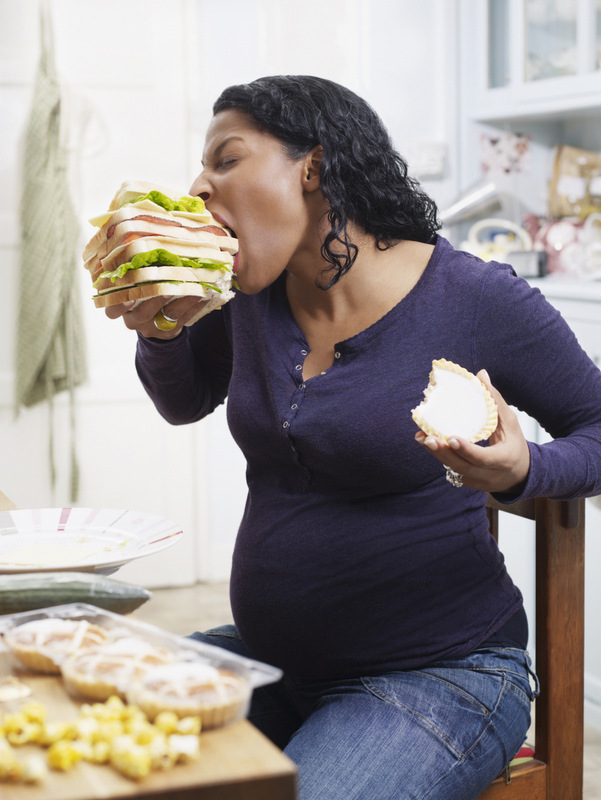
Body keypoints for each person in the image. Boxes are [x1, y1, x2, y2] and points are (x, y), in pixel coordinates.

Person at [105, 75, 601, 799]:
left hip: (440, 675)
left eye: (226, 159)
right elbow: (185, 401)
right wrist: (160, 329)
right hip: (273, 663)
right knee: (83, 742)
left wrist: (525, 469)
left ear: (312, 167)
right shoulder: (248, 296)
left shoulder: (473, 297)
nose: (198, 186)